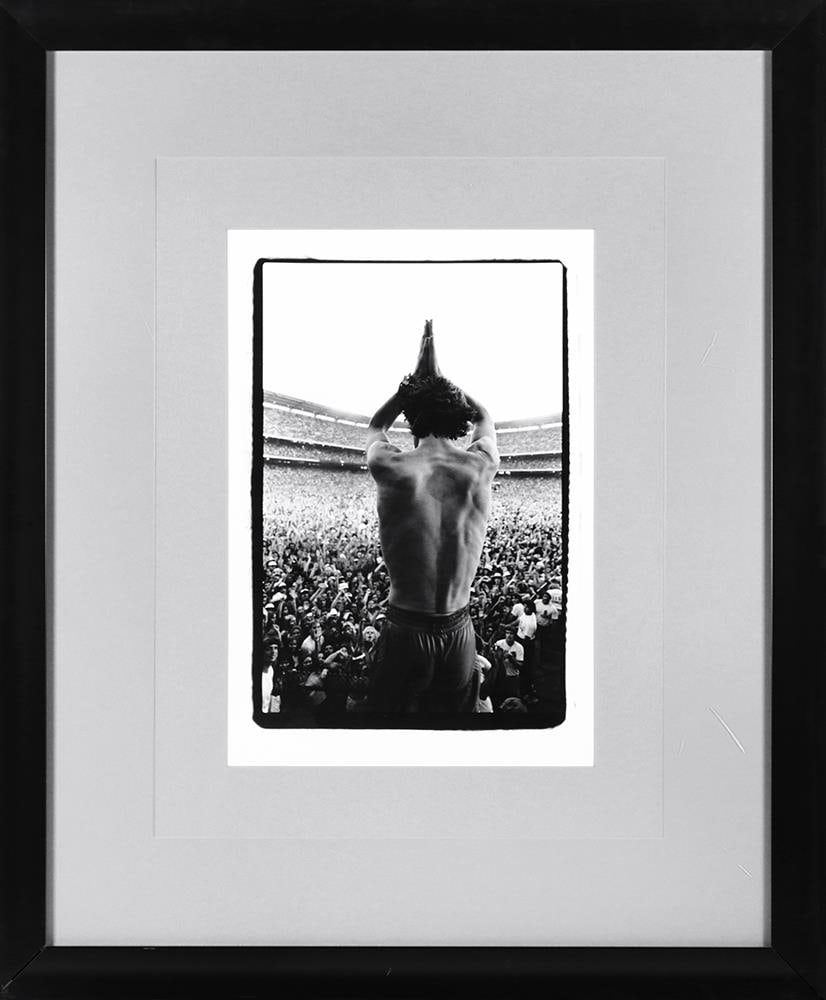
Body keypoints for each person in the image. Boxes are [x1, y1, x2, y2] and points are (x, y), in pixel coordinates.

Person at [364, 320, 499, 713]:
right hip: (459, 627)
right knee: (454, 734)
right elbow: (484, 416)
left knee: (390, 730)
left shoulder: (391, 465)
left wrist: (412, 387)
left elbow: (376, 425)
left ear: (410, 419)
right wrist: (441, 381)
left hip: (405, 626)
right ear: (455, 415)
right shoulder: (480, 465)